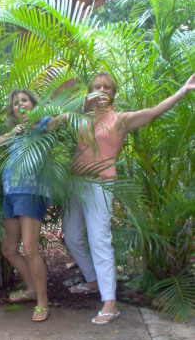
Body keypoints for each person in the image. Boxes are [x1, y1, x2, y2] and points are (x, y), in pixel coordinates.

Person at [63, 72, 195, 325]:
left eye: (107, 88)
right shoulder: (78, 116)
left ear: (113, 94)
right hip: (73, 183)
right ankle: (92, 280)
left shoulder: (119, 121)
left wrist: (183, 90)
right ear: (89, 91)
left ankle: (110, 303)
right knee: (71, 235)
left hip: (100, 185)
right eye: (96, 87)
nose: (101, 91)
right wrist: (82, 106)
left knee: (99, 240)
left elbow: (154, 112)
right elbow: (51, 122)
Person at [0, 89, 66, 322]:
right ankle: (31, 289)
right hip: (9, 193)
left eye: (24, 100)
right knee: (8, 249)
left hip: (31, 192)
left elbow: (63, 119)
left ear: (33, 103)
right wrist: (9, 135)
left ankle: (43, 301)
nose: (20, 105)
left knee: (30, 249)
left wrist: (84, 104)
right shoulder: (14, 132)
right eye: (15, 103)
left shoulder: (42, 125)